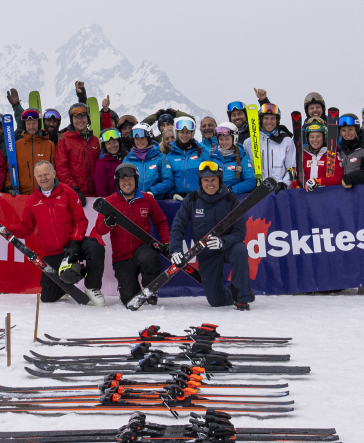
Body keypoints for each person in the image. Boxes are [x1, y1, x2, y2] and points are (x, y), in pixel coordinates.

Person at [5, 161, 99, 304]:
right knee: (47, 298)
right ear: (36, 177)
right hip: (53, 252)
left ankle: (92, 287)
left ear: (53, 173)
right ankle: (63, 285)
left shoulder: (68, 192)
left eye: (46, 174)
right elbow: (26, 228)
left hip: (73, 245)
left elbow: (81, 220)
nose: (43, 178)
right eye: (40, 175)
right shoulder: (32, 200)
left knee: (95, 247)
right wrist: (7, 230)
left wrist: (75, 243)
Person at [167, 160, 255, 310]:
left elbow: (240, 232)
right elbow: (178, 226)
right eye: (205, 180)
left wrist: (223, 242)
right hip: (206, 253)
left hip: (228, 247)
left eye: (213, 180)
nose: (210, 184)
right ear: (200, 181)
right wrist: (175, 249)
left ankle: (242, 297)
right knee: (216, 301)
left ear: (219, 180)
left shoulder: (231, 200)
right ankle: (231, 292)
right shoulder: (192, 199)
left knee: (240, 249)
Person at [102, 162, 170, 306]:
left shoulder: (147, 199)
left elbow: (161, 221)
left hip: (143, 249)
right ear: (118, 182)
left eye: (130, 179)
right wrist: (107, 223)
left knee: (150, 258)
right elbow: (99, 230)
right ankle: (133, 289)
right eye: (123, 180)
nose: (127, 183)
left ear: (136, 180)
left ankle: (150, 288)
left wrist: (166, 241)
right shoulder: (110, 202)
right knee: (129, 299)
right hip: (122, 257)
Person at [159, 117, 207, 198]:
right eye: (181, 132)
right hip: (177, 199)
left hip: (198, 197)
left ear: (192, 133)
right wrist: (172, 193)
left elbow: (208, 176)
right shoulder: (169, 156)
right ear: (177, 133)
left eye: (188, 132)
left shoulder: (202, 152)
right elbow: (167, 179)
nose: (185, 135)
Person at [210, 123, 257, 195]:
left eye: (227, 139)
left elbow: (250, 182)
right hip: (214, 196)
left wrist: (231, 190)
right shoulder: (213, 156)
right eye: (221, 139)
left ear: (234, 139)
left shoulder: (243, 157)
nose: (224, 142)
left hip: (233, 198)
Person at [15, 109, 55, 194]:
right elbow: (10, 169)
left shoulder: (49, 145)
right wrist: (9, 185)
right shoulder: (17, 145)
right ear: (24, 125)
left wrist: (55, 187)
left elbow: (54, 168)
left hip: (45, 192)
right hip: (23, 194)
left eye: (34, 123)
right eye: (28, 124)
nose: (31, 126)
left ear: (39, 124)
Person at [121, 125, 167, 198]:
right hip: (134, 202)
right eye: (136, 138)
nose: (139, 141)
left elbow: (168, 181)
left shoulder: (160, 158)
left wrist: (152, 191)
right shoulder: (127, 160)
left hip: (156, 201)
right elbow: (122, 182)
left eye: (142, 138)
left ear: (148, 139)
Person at [297, 121, 342, 189]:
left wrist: (319, 181)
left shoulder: (332, 155)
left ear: (324, 137)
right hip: (307, 197)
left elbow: (339, 178)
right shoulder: (304, 156)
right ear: (308, 138)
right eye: (312, 137)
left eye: (318, 136)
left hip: (326, 195)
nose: (315, 140)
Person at [91, 129, 125, 197]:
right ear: (105, 146)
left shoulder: (125, 158)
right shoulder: (102, 164)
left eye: (114, 142)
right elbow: (101, 190)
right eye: (108, 143)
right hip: (112, 203)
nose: (112, 145)